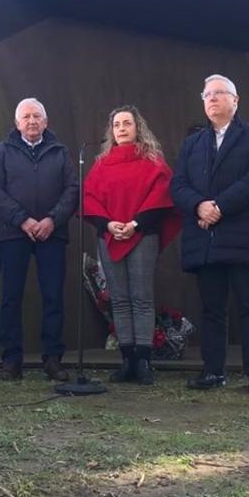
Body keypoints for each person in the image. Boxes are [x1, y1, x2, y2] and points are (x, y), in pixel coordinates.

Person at [170, 74, 249, 394]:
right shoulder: (193, 143)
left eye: (219, 93)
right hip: (205, 238)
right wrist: (199, 206)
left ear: (235, 100)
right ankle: (213, 370)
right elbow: (178, 185)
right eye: (207, 95)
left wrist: (219, 206)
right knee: (212, 308)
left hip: (243, 234)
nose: (212, 99)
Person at [83, 106, 180, 385]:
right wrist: (108, 224)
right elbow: (89, 197)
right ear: (111, 131)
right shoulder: (101, 164)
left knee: (141, 298)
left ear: (138, 127)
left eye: (127, 123)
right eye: (117, 125)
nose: (122, 128)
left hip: (142, 235)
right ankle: (127, 360)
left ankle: (144, 361)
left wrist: (135, 224)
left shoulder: (152, 161)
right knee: (120, 300)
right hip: (110, 234)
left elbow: (161, 195)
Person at [0, 97, 78, 381]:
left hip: (53, 233)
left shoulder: (60, 152)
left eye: (37, 116)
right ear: (17, 123)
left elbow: (73, 189)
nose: (32, 121)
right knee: (10, 297)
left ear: (46, 122)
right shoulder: (1, 151)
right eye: (26, 117)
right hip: (14, 233)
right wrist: (22, 219)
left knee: (53, 297)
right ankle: (11, 361)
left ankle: (53, 359)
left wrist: (52, 219)